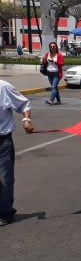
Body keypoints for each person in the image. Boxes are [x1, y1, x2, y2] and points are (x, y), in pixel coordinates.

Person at [0, 79, 33, 226]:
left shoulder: (4, 87)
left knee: (4, 179)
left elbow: (24, 103)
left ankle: (6, 213)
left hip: (2, 141)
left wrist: (26, 119)